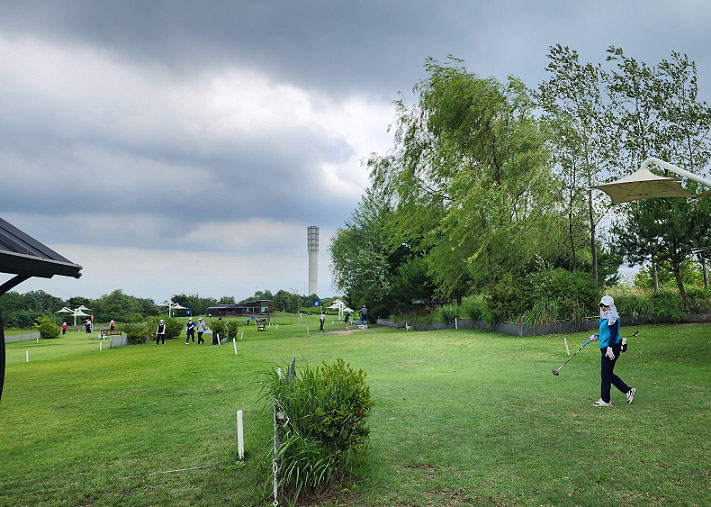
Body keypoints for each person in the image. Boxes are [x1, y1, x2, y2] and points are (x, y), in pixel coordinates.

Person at [590, 295, 636, 407]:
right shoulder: (605, 316)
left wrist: (610, 348)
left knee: (605, 374)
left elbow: (614, 334)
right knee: (607, 374)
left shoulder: (613, 317)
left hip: (611, 348)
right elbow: (607, 334)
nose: (603, 308)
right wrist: (597, 336)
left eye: (605, 306)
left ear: (611, 306)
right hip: (606, 347)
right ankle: (628, 391)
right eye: (601, 305)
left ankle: (605, 400)